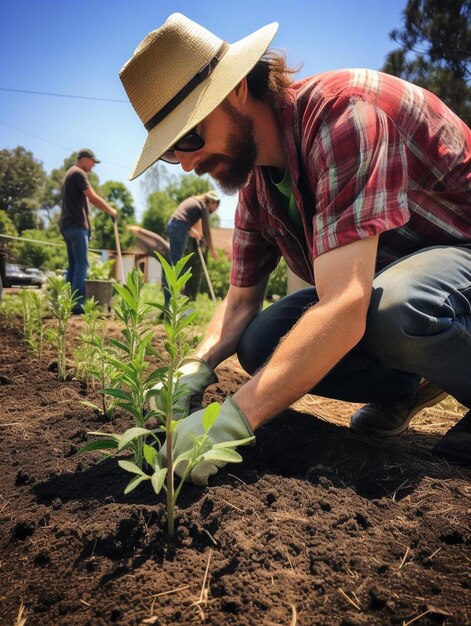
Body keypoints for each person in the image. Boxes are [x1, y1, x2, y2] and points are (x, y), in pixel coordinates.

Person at [120, 13, 471, 483]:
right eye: (170, 151)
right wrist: (194, 367)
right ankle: (408, 386)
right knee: (261, 341)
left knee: (402, 308)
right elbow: (241, 301)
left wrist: (230, 422)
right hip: (397, 278)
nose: (186, 165)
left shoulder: (343, 114)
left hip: (459, 254)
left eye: (188, 136)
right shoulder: (257, 186)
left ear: (237, 89)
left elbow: (346, 305)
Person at [60, 149, 117, 313]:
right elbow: (92, 197)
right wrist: (110, 210)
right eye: (92, 162)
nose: (93, 166)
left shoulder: (69, 174)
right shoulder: (78, 173)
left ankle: (68, 304)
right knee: (81, 265)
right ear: (85, 159)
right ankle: (77, 305)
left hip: (67, 225)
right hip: (77, 226)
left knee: (73, 265)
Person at [163, 191, 220, 308]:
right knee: (177, 267)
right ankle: (171, 305)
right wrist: (212, 250)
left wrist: (191, 230)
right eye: (215, 207)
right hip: (179, 227)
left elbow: (181, 219)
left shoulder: (193, 201)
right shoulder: (203, 206)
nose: (213, 211)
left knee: (174, 264)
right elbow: (206, 230)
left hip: (176, 225)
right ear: (212, 202)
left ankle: (170, 304)